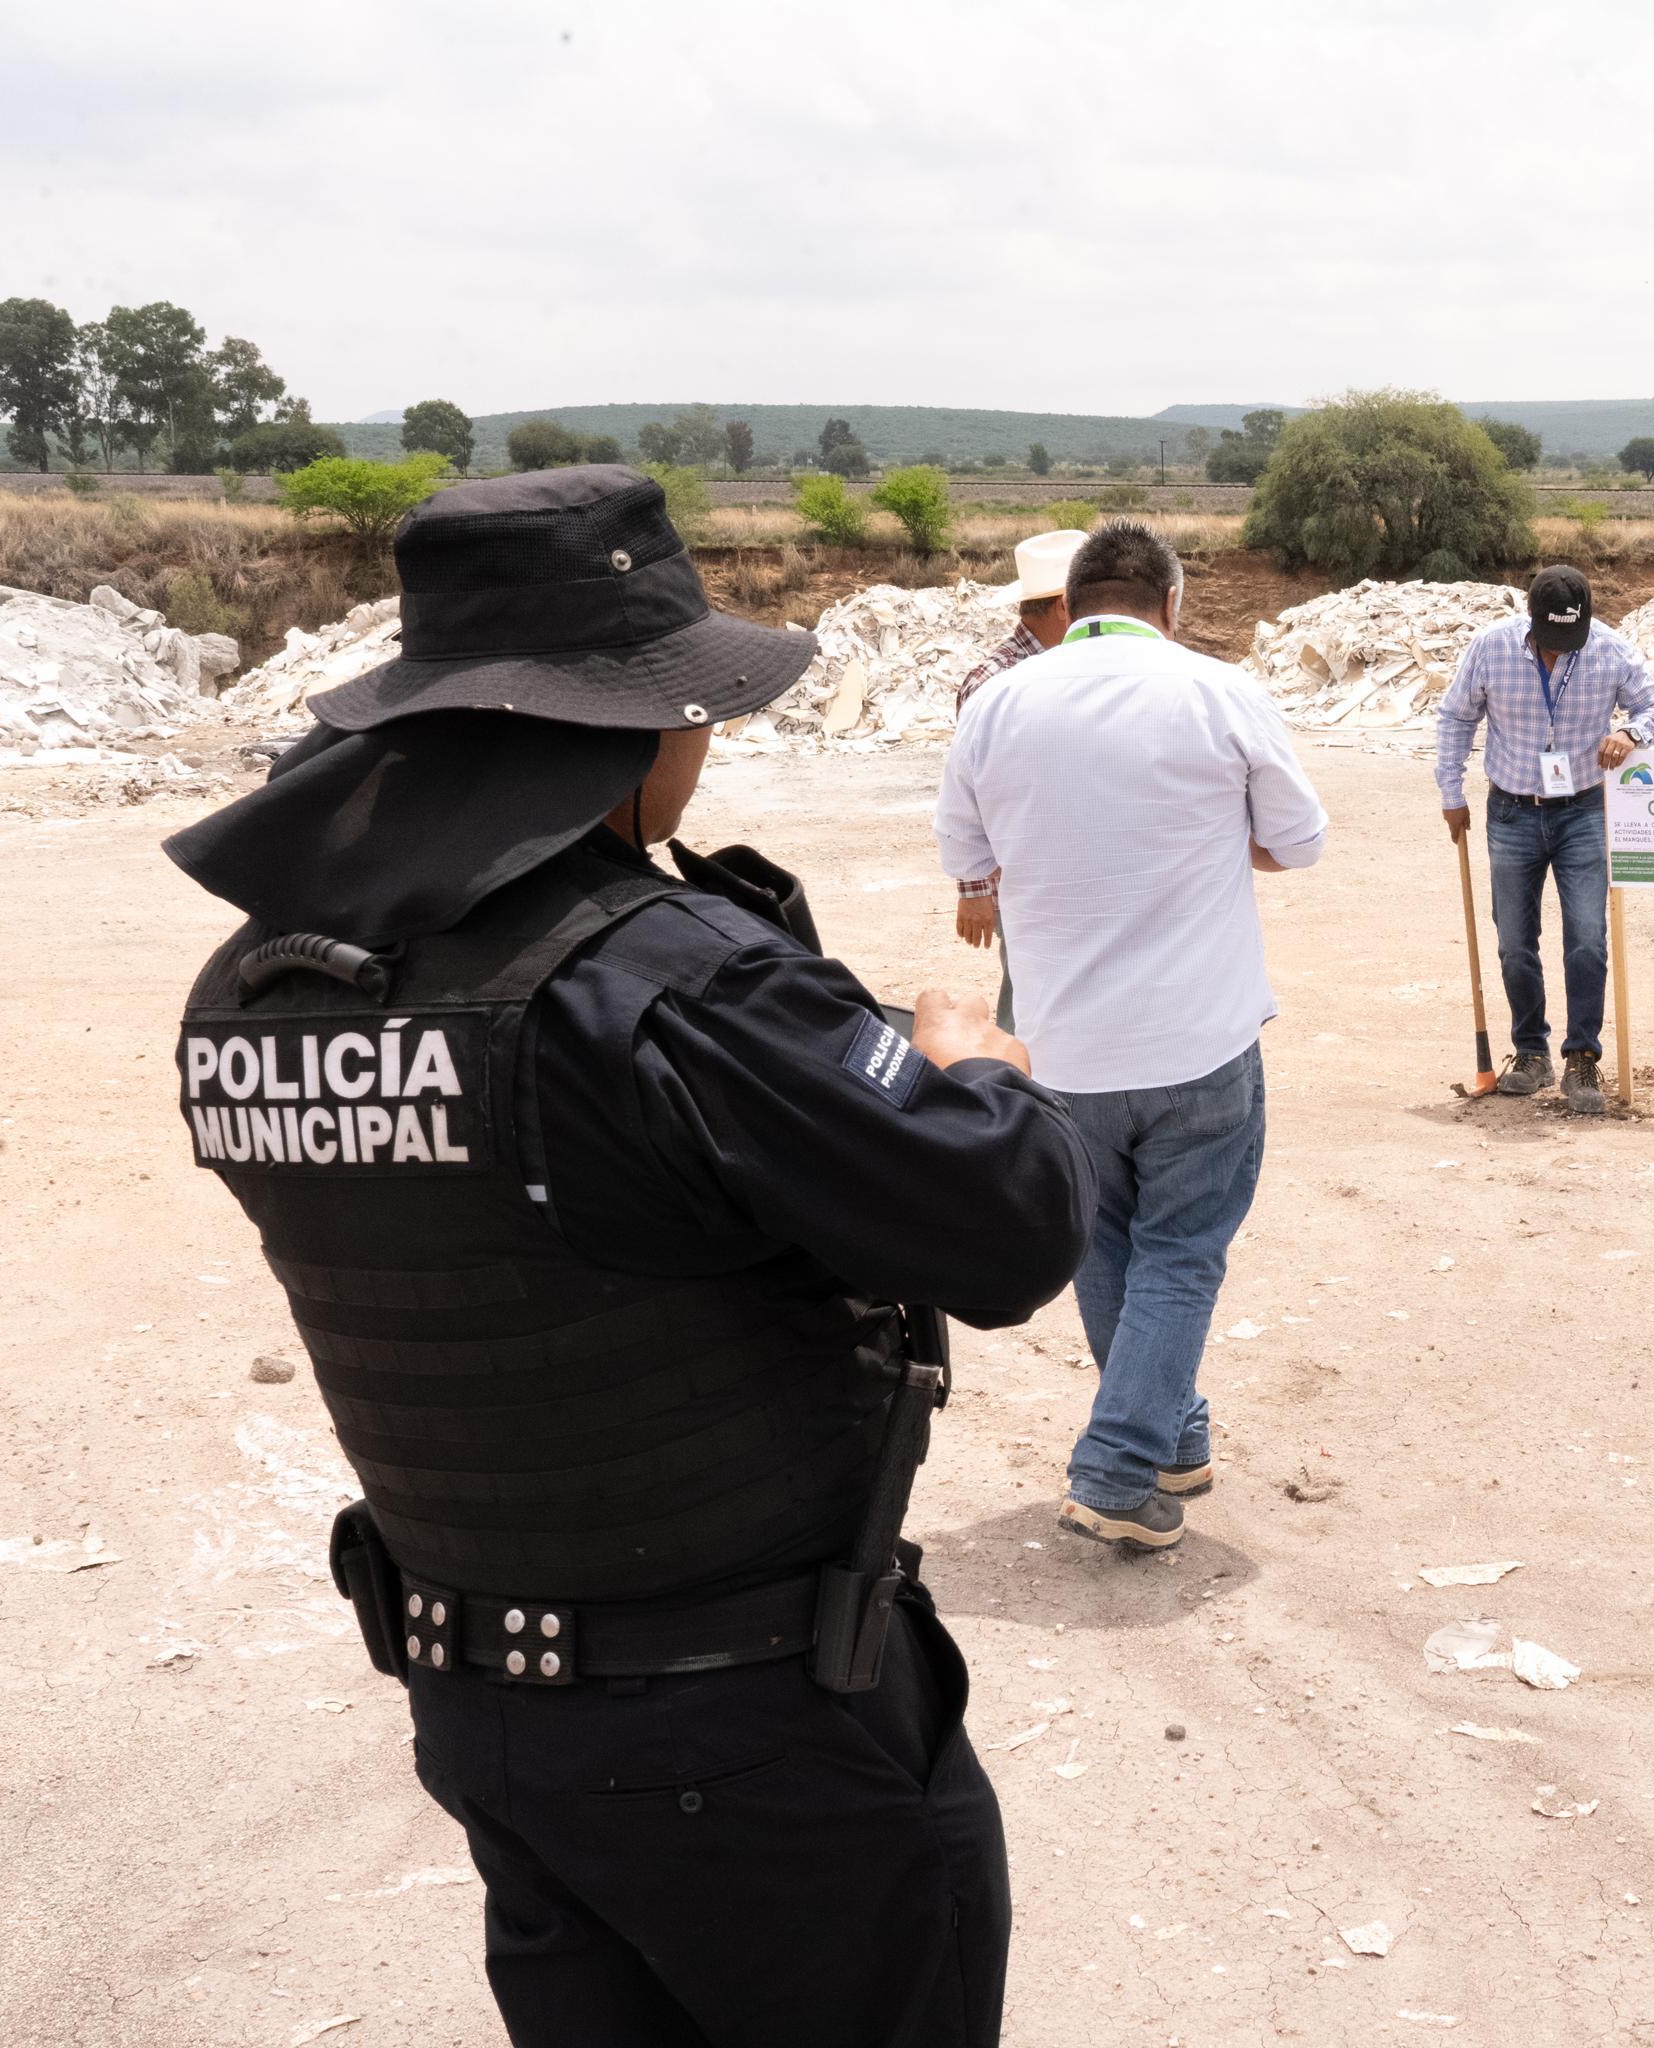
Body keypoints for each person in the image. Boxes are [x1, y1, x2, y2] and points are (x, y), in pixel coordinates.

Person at [165, 465, 1094, 2048]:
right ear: (627, 721)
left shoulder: (256, 987)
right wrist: (970, 1071)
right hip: (746, 1728)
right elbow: (1005, 1235)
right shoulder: (666, 984)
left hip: (482, 1705)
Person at [934, 520, 1327, 1552]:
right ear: (1175, 602)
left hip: (1061, 1041)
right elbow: (1301, 840)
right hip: (1198, 1035)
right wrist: (1205, 834)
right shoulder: (1218, 692)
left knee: (1105, 1244)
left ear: (1073, 599)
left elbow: (965, 851)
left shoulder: (998, 703)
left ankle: (1174, 1437)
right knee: (1183, 1249)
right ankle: (1114, 1469)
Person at [1433, 564, 1654, 1115]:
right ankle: (1531, 1052)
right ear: (1531, 618)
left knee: (1587, 937)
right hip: (1511, 810)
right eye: (1552, 639)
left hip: (1584, 810)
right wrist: (1451, 792)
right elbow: (1455, 717)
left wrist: (1630, 732)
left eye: (1572, 638)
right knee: (1514, 940)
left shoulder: (1611, 649)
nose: (1562, 651)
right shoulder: (1490, 648)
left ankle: (1581, 1057)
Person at [953, 529, 1086, 1031]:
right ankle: (1017, 1096)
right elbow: (971, 792)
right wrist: (973, 888)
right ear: (1064, 607)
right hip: (1027, 878)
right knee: (1030, 1001)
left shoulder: (1067, 671)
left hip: (1068, 870)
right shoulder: (994, 682)